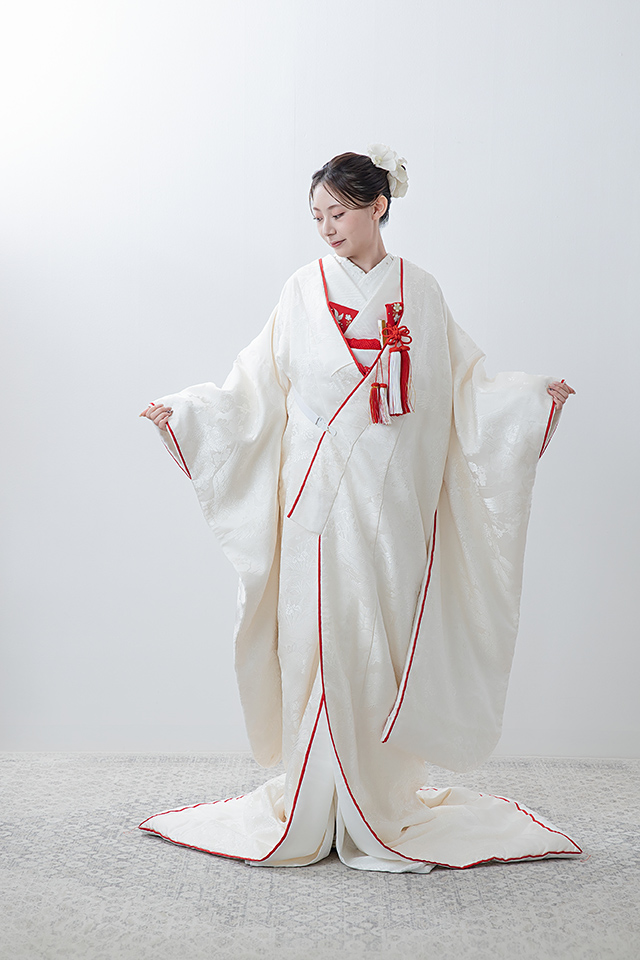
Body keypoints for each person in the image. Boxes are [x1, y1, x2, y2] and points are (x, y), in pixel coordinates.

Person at [138, 145, 579, 872]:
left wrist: (528, 400)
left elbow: (466, 387)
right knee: (316, 636)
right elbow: (253, 387)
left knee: (382, 639)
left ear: (378, 206)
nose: (326, 228)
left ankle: (378, 795)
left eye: (338, 213)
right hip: (315, 499)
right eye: (316, 216)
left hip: (394, 498)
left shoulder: (421, 292)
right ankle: (314, 796)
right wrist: (189, 413)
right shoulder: (300, 290)